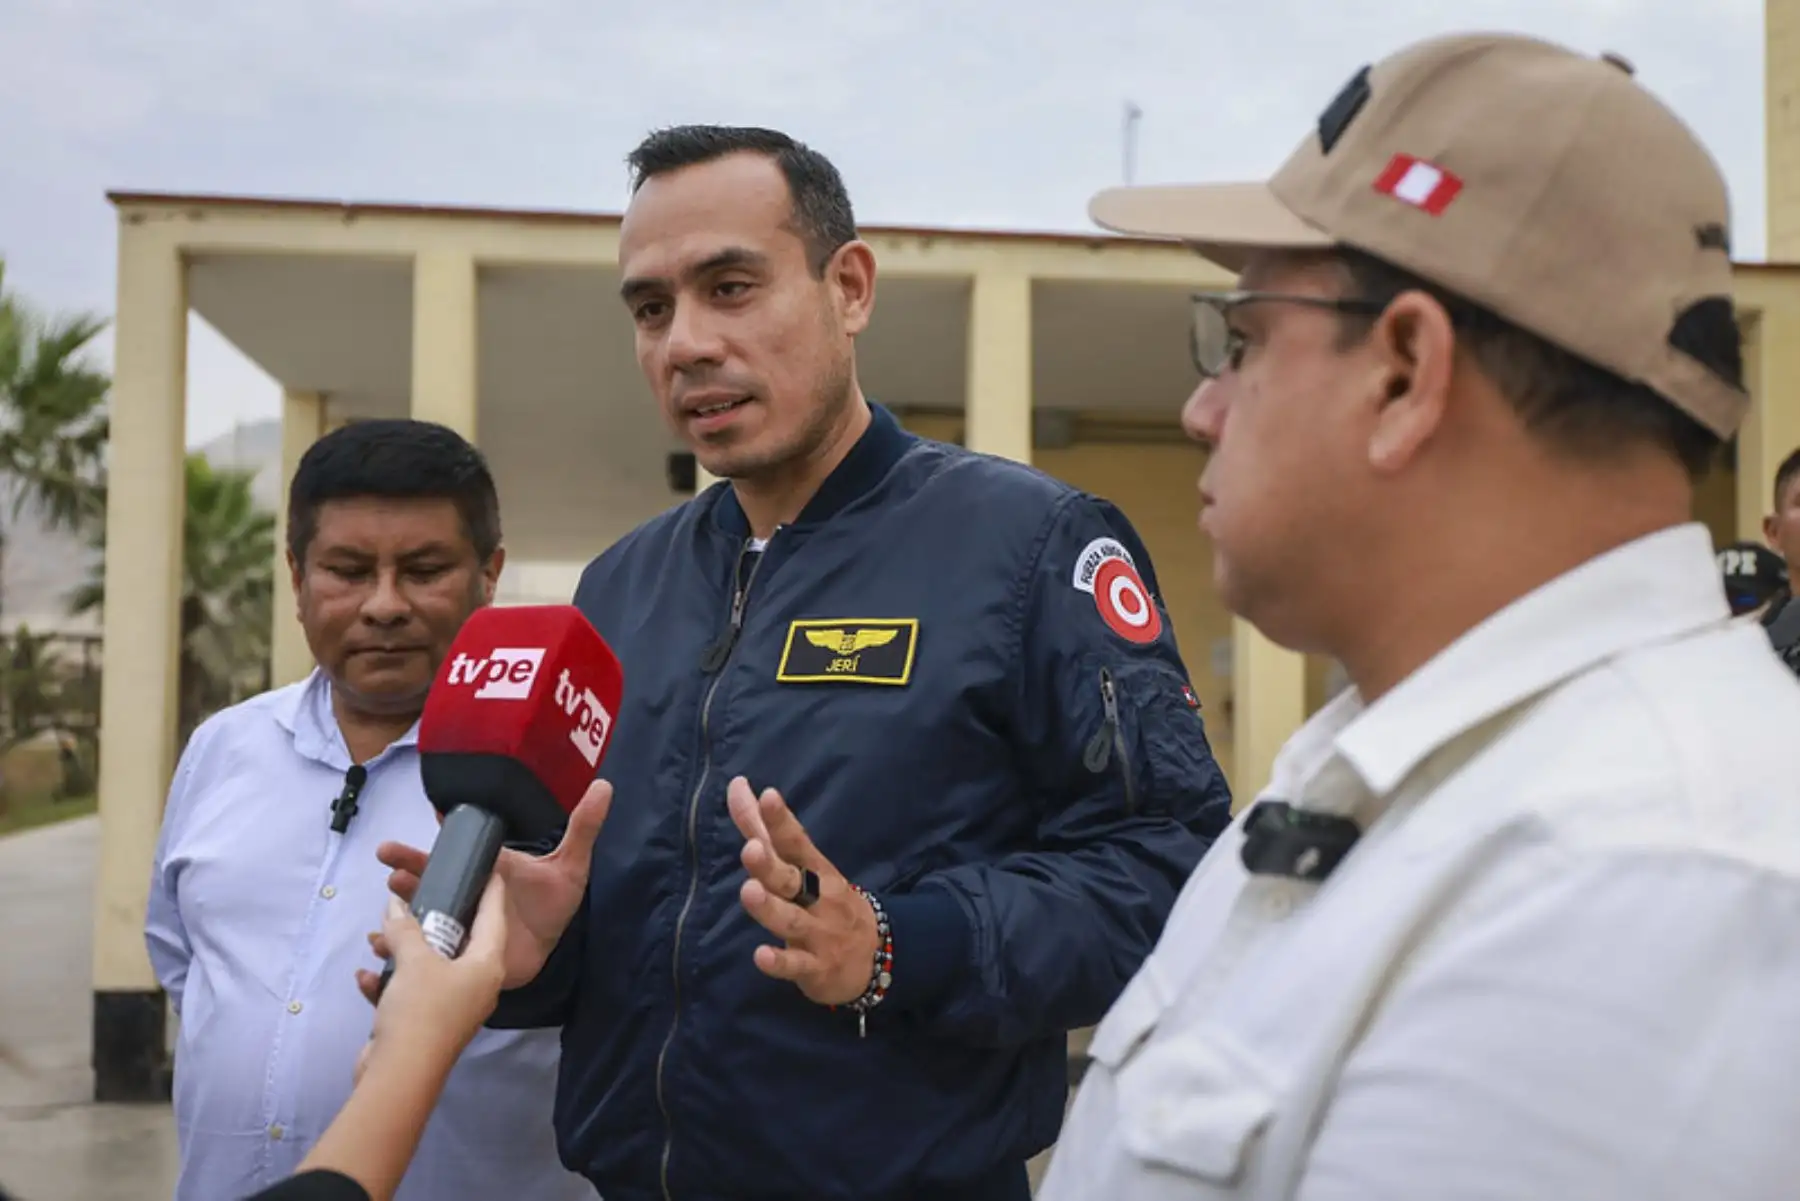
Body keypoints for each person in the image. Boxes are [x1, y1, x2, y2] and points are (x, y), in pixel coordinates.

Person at [377, 124, 1233, 1201]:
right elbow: (660, 939)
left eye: (731, 287)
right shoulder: (619, 589)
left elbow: (1173, 865)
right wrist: (545, 955)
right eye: (651, 309)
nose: (685, 342)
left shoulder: (1027, 546)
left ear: (851, 287)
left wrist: (894, 943)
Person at [1038, 31, 1800, 1200]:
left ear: (1402, 373)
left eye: (1240, 341)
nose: (1201, 408)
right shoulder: (1391, 761)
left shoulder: (1642, 887)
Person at [144, 419, 593, 1201]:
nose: (384, 605)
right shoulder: (222, 749)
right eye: (347, 570)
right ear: (296, 575)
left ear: (489, 575)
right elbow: (188, 968)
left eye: (423, 570)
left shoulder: (569, 779)